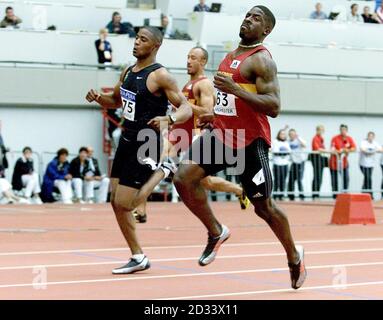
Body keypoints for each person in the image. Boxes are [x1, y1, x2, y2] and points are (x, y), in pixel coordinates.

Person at [173, 6, 306, 290]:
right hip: (222, 135)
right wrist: (214, 117)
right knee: (183, 178)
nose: (248, 19)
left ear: (266, 30)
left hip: (250, 143)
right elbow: (229, 104)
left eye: (256, 18)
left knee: (264, 208)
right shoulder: (229, 57)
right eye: (247, 15)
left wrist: (235, 89)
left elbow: (274, 106)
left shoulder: (262, 61)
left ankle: (294, 256)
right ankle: (216, 231)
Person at [85, 26, 192, 274]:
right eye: (136, 38)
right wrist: (98, 97)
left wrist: (170, 119)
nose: (136, 43)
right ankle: (137, 256)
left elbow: (185, 107)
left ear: (155, 46)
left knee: (124, 202)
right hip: (127, 138)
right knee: (115, 200)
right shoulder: (127, 71)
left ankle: (163, 171)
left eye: (143, 39)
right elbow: (116, 101)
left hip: (146, 140)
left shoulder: (160, 75)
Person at [124, 46, 250, 223]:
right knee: (156, 164)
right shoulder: (187, 84)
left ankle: (239, 191)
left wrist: (183, 105)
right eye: (188, 57)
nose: (188, 61)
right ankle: (141, 209)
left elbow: (206, 111)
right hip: (179, 134)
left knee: (205, 182)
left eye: (193, 58)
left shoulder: (204, 84)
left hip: (195, 135)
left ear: (203, 61)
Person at [329, 124, 356, 198]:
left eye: (344, 130)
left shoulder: (349, 138)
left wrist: (348, 150)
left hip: (344, 163)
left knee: (346, 178)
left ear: (347, 130)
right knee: (334, 180)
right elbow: (332, 149)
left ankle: (344, 193)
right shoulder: (335, 138)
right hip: (334, 162)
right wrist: (339, 151)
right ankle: (335, 195)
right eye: (341, 130)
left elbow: (354, 148)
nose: (343, 131)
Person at [359, 132, 381, 198]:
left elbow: (381, 149)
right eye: (369, 136)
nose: (370, 137)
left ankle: (365, 193)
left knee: (367, 178)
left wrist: (374, 150)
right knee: (368, 178)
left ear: (374, 137)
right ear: (367, 136)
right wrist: (371, 151)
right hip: (363, 164)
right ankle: (369, 194)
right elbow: (362, 149)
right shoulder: (363, 142)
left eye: (372, 136)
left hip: (371, 165)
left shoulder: (375, 143)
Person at [272, 128, 291, 201]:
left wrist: (283, 152)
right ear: (278, 135)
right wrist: (283, 152)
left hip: (285, 164)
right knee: (277, 180)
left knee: (283, 180)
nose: (283, 135)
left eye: (284, 134)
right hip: (277, 164)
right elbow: (275, 151)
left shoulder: (286, 142)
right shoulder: (275, 141)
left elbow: (289, 151)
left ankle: (281, 195)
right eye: (281, 134)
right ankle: (275, 195)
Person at [287, 129, 306, 201]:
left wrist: (298, 138)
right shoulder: (288, 142)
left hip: (300, 162)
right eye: (290, 134)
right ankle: (291, 196)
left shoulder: (299, 140)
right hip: (293, 162)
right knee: (291, 179)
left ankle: (302, 195)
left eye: (293, 134)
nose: (292, 135)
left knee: (299, 179)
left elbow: (304, 145)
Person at [310, 125, 328, 199]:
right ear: (317, 130)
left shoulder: (321, 138)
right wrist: (328, 151)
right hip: (316, 158)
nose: (321, 131)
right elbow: (317, 149)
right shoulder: (315, 138)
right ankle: (315, 194)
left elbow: (322, 148)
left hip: (321, 158)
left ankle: (317, 193)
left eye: (322, 130)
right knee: (317, 176)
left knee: (320, 177)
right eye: (320, 130)